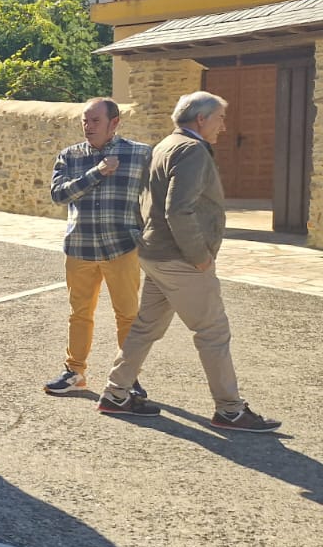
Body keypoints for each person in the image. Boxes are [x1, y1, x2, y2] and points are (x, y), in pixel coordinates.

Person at [95, 92, 282, 433]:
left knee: (145, 327)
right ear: (201, 120)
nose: (223, 127)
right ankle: (229, 410)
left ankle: (116, 393)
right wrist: (200, 257)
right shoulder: (192, 150)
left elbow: (146, 199)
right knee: (213, 332)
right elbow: (178, 209)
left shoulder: (165, 144)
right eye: (220, 119)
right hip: (180, 257)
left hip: (154, 253)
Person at [45, 99, 151, 399]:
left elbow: (156, 195)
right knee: (79, 314)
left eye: (94, 121)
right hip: (80, 247)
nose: (88, 126)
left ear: (114, 123)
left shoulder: (140, 154)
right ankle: (74, 372)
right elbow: (58, 195)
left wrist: (148, 234)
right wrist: (97, 173)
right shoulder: (70, 156)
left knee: (128, 316)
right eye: (85, 121)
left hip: (122, 247)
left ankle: (127, 378)